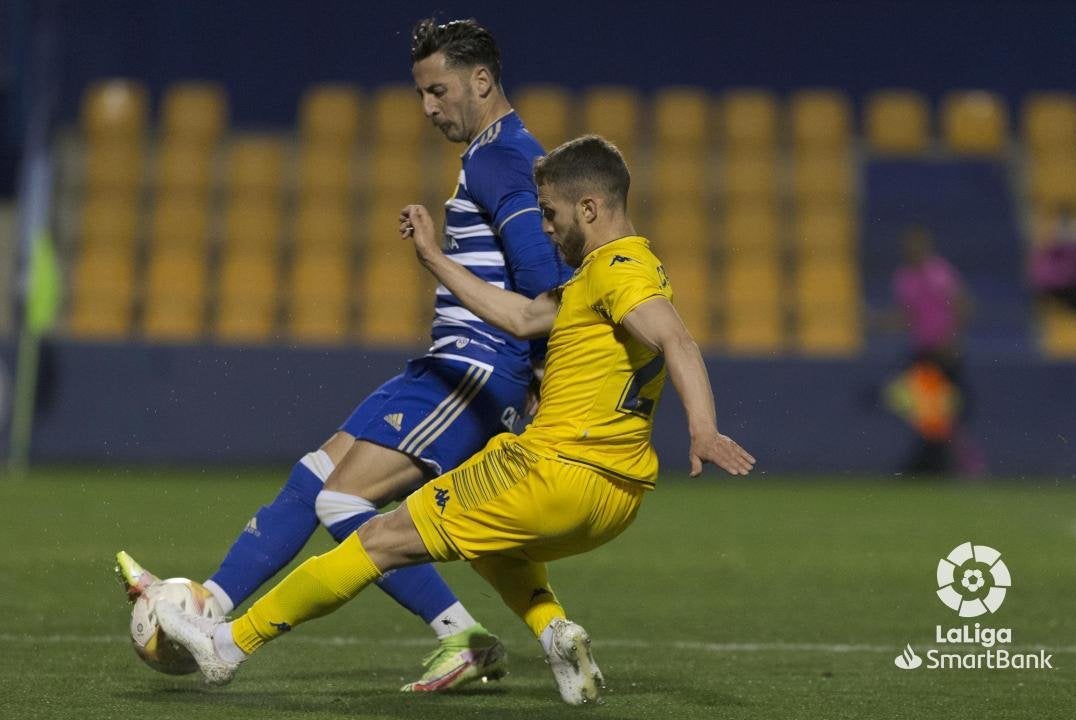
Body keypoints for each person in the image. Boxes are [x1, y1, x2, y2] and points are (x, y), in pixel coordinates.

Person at [156, 135, 756, 705]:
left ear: (591, 207)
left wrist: (703, 428)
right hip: (613, 500)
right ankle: (556, 636)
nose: (545, 229)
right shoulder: (614, 274)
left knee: (375, 537)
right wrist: (434, 259)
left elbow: (674, 337)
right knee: (492, 546)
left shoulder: (617, 269)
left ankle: (226, 645)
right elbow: (523, 317)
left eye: (551, 214)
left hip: (550, 473)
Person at [117, 17, 571, 692]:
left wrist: (535, 373)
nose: (427, 107)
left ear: (481, 80)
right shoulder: (494, 151)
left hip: (474, 370)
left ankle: (462, 637)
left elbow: (546, 287)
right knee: (314, 476)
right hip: (446, 365)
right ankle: (211, 599)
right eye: (421, 93)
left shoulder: (500, 157)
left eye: (438, 90)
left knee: (341, 501)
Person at [882, 225, 979, 475]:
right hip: (923, 352)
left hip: (945, 352)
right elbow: (908, 316)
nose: (912, 250)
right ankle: (939, 463)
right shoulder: (904, 278)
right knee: (928, 411)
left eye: (917, 245)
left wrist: (953, 338)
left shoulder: (939, 272)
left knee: (944, 412)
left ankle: (953, 463)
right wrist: (879, 322)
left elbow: (962, 305)